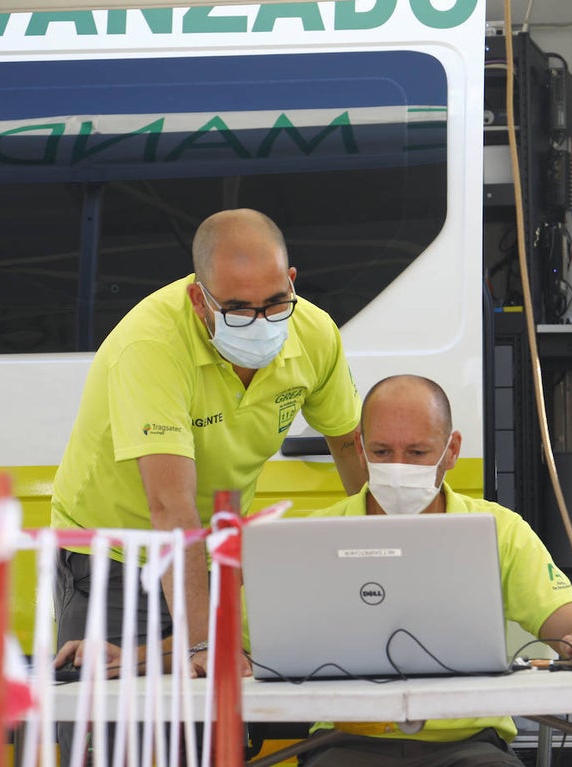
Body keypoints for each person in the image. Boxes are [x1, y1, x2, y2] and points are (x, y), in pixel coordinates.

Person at [50, 208, 364, 762]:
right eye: (238, 309)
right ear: (200, 300)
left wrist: (389, 553)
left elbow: (348, 442)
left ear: (291, 283)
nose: (261, 321)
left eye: (273, 302)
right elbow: (171, 507)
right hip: (117, 555)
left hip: (214, 558)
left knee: (210, 740)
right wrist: (200, 643)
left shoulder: (313, 334)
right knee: (122, 738)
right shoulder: (150, 346)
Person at [296, 374, 572, 767]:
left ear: (451, 450)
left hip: (471, 747)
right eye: (382, 452)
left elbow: (565, 620)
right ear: (360, 448)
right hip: (344, 743)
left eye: (417, 453)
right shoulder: (312, 537)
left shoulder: (499, 530)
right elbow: (250, 639)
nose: (398, 468)